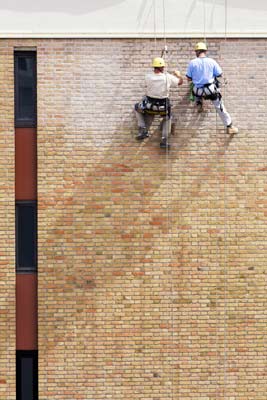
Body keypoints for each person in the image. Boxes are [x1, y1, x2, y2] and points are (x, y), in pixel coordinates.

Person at [186, 42, 238, 134]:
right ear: (205, 51)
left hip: (197, 91)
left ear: (197, 52)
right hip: (210, 90)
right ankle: (229, 126)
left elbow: (189, 78)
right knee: (219, 106)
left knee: (193, 86)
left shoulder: (192, 63)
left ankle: (199, 102)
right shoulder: (211, 61)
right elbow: (219, 74)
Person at [134, 57, 183, 148]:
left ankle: (143, 129)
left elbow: (146, 85)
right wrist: (178, 75)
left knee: (137, 107)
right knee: (168, 117)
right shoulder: (167, 77)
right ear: (162, 67)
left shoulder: (148, 76)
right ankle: (164, 140)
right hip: (163, 109)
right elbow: (180, 82)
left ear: (154, 67)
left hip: (149, 107)